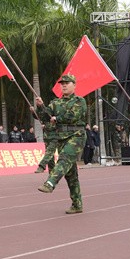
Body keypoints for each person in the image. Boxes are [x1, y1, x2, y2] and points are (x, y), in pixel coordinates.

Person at [36, 74, 87, 214]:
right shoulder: (55, 103)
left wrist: (57, 118)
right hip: (62, 138)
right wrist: (40, 107)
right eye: (62, 83)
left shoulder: (79, 101)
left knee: (64, 159)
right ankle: (77, 204)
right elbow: (44, 117)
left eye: (67, 83)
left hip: (76, 136)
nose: (63, 85)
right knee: (71, 174)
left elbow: (74, 116)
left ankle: (50, 183)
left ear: (74, 85)